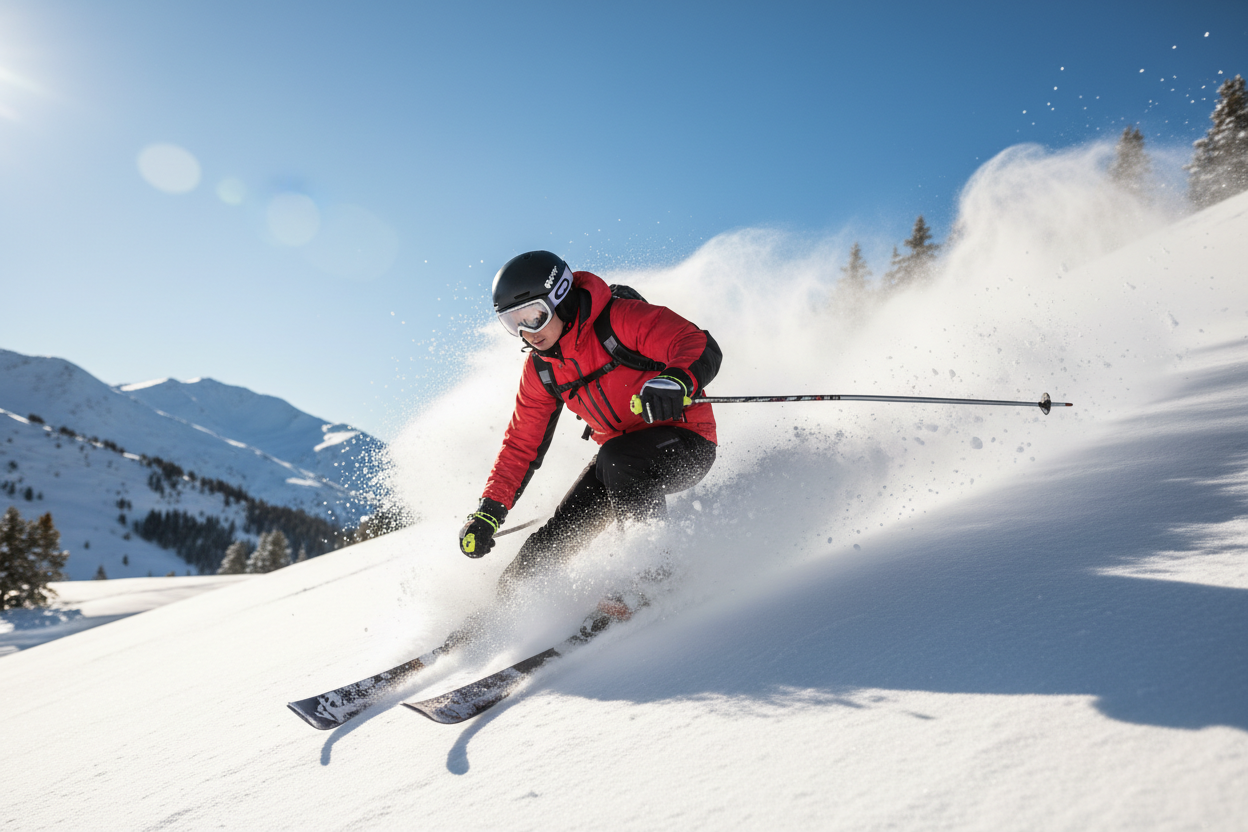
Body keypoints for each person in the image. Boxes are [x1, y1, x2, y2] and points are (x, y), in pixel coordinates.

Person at [458, 250, 722, 599]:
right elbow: (522, 444)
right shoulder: (542, 370)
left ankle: (654, 572)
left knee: (618, 458)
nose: (526, 333)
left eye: (533, 316)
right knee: (557, 535)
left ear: (561, 297)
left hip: (686, 445)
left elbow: (696, 343)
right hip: (618, 463)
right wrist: (488, 511)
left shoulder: (620, 320)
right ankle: (504, 608)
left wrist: (676, 380)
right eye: (512, 323)